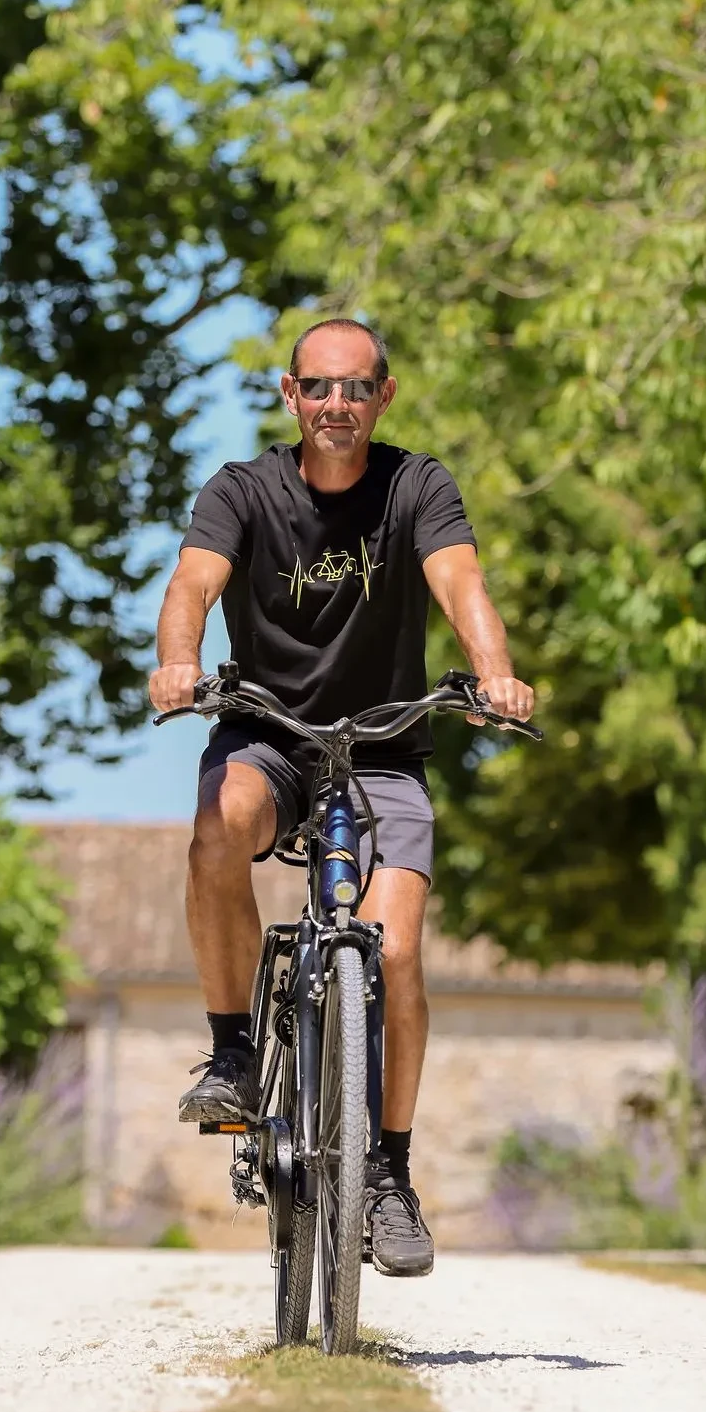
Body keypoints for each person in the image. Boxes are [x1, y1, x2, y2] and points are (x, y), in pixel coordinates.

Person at [148, 317, 535, 1278]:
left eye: (356, 389)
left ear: (384, 397)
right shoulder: (243, 491)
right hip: (268, 733)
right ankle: (233, 1051)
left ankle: (389, 1178)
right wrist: (179, 662)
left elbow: (463, 581)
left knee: (396, 947)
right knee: (217, 831)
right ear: (290, 396)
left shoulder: (417, 486)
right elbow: (194, 582)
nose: (336, 406)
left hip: (385, 749)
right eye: (318, 388)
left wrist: (497, 673)